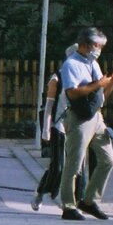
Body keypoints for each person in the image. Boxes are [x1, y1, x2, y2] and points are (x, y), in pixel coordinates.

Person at [59, 27, 113, 221]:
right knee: (74, 164)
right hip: (79, 117)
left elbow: (100, 97)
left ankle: (89, 200)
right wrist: (97, 85)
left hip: (96, 116)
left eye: (101, 46)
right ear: (84, 45)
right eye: (97, 45)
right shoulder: (72, 64)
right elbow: (72, 92)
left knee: (108, 159)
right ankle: (68, 206)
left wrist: (110, 84)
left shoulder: (94, 63)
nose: (99, 49)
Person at [32, 43, 85, 211]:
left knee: (78, 166)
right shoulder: (57, 79)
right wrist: (46, 129)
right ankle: (41, 191)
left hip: (78, 127)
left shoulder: (85, 78)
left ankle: (71, 201)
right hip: (59, 125)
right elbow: (48, 106)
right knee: (59, 166)